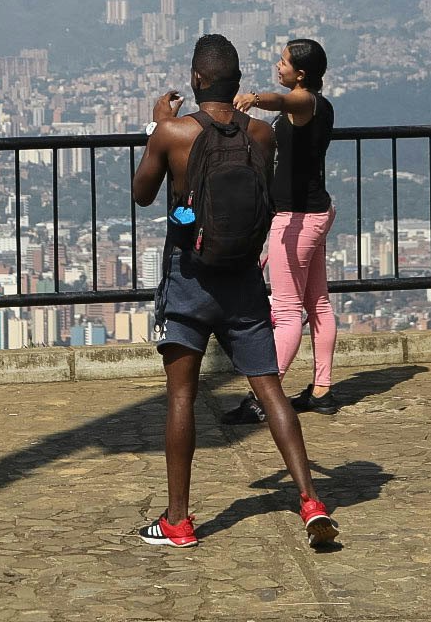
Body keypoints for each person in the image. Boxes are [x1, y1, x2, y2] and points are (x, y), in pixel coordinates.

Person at [131, 34, 339, 550]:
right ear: (238, 81)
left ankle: (178, 521)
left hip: (189, 277)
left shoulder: (174, 133)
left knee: (182, 395)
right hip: (244, 276)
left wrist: (157, 126)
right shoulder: (262, 134)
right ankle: (311, 500)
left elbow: (142, 194)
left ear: (197, 79)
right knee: (270, 390)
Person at [222, 37, 338, 422]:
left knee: (287, 311)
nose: (278, 64)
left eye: (284, 61)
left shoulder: (305, 103)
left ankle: (264, 398)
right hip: (315, 213)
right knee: (317, 304)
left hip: (296, 220)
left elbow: (284, 102)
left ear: (300, 74)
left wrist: (254, 98)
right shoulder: (321, 105)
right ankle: (322, 389)